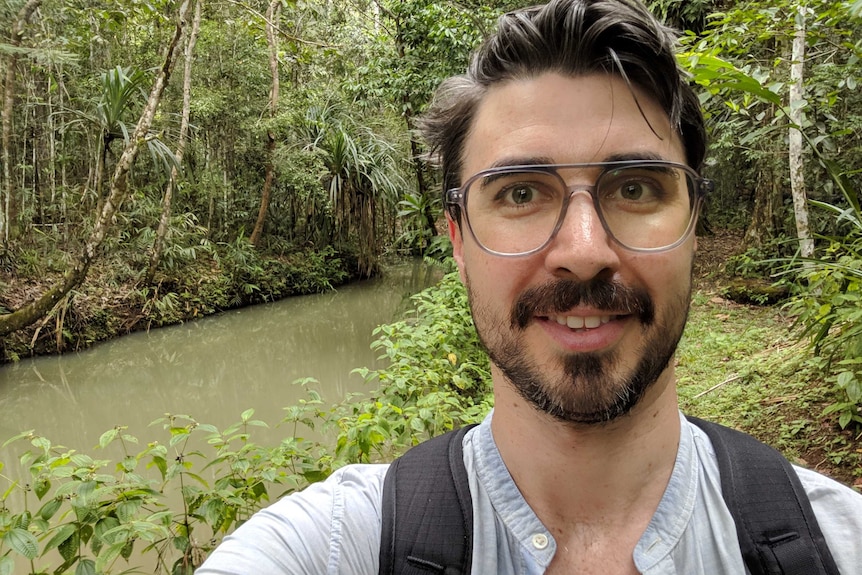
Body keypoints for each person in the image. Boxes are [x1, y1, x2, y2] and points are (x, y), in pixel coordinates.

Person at [196, 0, 862, 573]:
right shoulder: (344, 542)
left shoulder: (836, 540)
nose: (583, 252)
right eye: (520, 193)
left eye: (635, 188)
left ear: (692, 224)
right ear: (457, 241)